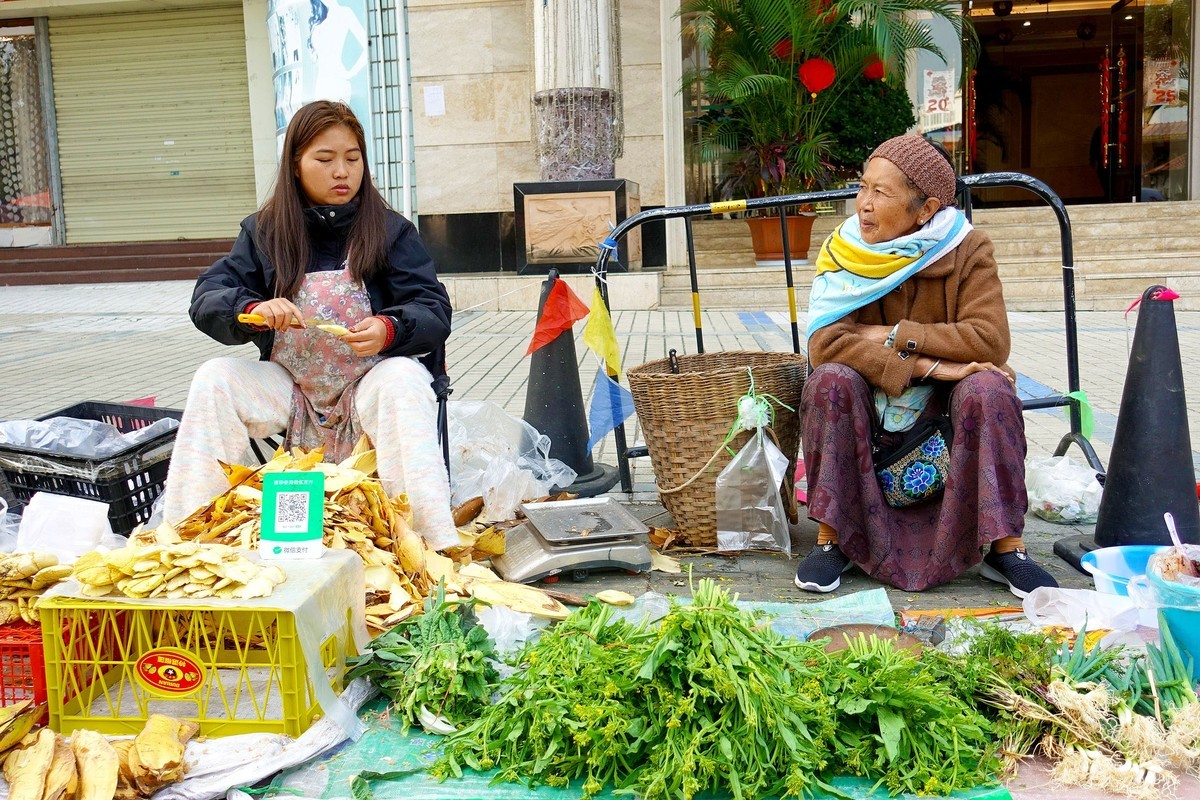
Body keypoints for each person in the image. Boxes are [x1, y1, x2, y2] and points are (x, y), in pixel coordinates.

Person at [162, 100, 457, 549]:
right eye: (325, 159)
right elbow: (208, 296)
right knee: (215, 378)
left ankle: (432, 545)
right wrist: (251, 309)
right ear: (295, 165)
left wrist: (390, 328)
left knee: (403, 379)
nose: (342, 171)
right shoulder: (264, 231)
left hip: (368, 385)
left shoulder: (391, 231)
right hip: (292, 390)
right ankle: (187, 539)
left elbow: (432, 306)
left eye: (352, 158)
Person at [795, 134, 1058, 599]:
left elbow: (989, 340)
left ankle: (1005, 547)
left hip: (941, 416)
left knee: (989, 389)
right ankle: (832, 539)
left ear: (925, 209)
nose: (864, 205)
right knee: (828, 382)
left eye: (881, 193)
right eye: (862, 188)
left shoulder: (968, 249)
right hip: (874, 403)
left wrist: (897, 334)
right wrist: (934, 366)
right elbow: (825, 344)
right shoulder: (846, 252)